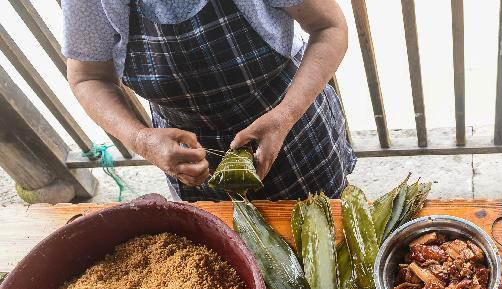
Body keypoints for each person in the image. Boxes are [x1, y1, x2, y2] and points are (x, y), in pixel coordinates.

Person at [63, 0, 355, 201]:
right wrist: (141, 139)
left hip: (291, 129)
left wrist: (286, 115)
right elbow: (88, 78)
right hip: (193, 158)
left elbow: (329, 28)